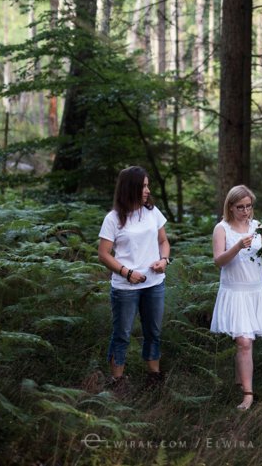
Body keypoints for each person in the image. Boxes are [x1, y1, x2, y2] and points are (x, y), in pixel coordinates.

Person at [98, 166, 172, 390]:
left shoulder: (152, 212)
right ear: (130, 188)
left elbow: (163, 241)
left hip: (154, 284)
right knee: (122, 334)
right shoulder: (113, 219)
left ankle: (154, 378)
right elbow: (103, 254)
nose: (147, 190)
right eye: (143, 186)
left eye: (148, 186)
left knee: (153, 332)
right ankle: (117, 382)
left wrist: (164, 260)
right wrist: (127, 273)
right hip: (125, 288)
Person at [211, 185, 262, 410]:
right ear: (230, 207)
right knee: (244, 342)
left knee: (246, 343)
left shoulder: (256, 226)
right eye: (240, 207)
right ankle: (248, 394)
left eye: (249, 206)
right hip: (235, 291)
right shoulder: (222, 229)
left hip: (256, 290)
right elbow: (218, 261)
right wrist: (238, 246)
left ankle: (240, 379)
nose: (246, 211)